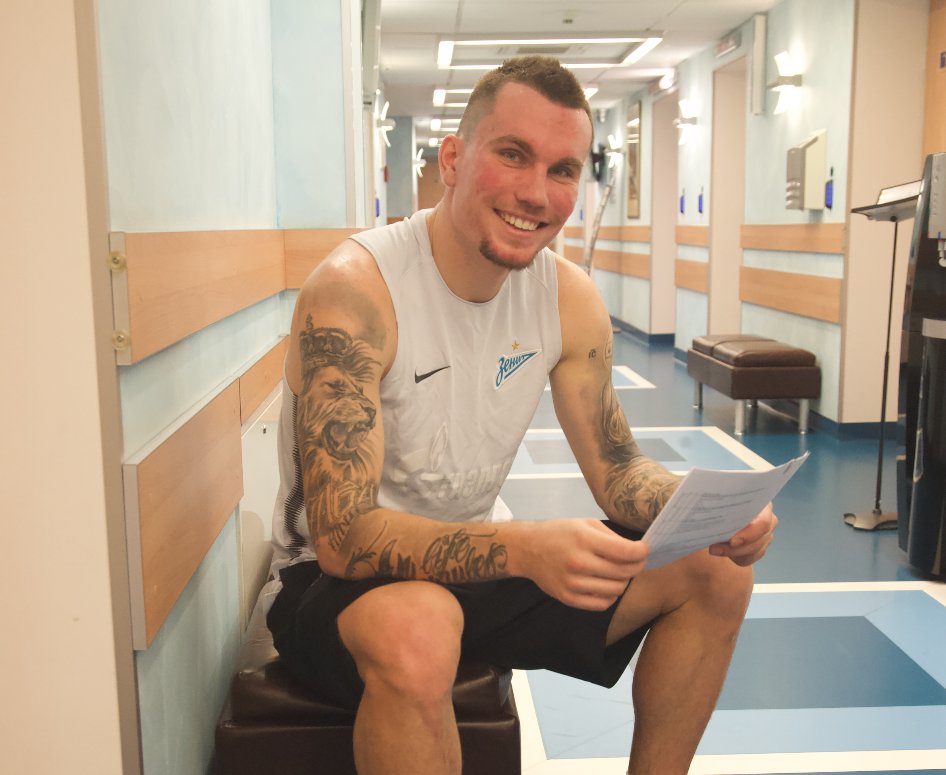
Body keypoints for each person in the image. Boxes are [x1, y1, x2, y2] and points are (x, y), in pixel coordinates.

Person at [265, 55, 777, 775]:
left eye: (562, 170)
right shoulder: (355, 291)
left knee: (717, 573)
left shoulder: (568, 297)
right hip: (337, 586)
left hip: (473, 570)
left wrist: (708, 508)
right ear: (453, 159)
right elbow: (343, 538)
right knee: (421, 627)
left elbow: (618, 471)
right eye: (513, 155)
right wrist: (525, 549)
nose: (536, 193)